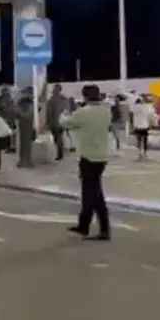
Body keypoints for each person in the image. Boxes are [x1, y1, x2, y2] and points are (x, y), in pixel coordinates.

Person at [60, 84, 112, 241]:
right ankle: (86, 226)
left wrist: (63, 113)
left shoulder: (83, 112)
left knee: (91, 195)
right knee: (95, 193)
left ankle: (99, 229)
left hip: (88, 157)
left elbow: (65, 122)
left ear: (85, 97)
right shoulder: (106, 111)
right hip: (102, 156)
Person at [46, 84, 68, 161]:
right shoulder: (63, 99)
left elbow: (49, 112)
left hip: (56, 122)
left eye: (55, 88)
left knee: (58, 138)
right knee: (58, 138)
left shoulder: (52, 100)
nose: (54, 90)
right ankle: (60, 153)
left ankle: (60, 154)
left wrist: (48, 122)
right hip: (59, 121)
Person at [131, 95, 156, 161]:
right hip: (145, 126)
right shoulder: (146, 108)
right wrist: (153, 124)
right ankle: (145, 153)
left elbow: (132, 118)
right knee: (145, 140)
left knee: (139, 140)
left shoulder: (134, 109)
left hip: (137, 126)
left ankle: (140, 154)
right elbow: (151, 116)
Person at [16, 89, 35, 168]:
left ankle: (24, 161)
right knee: (26, 143)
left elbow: (16, 111)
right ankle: (26, 161)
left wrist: (20, 114)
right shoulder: (30, 102)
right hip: (27, 124)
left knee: (24, 143)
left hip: (24, 124)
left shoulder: (21, 102)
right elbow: (31, 112)